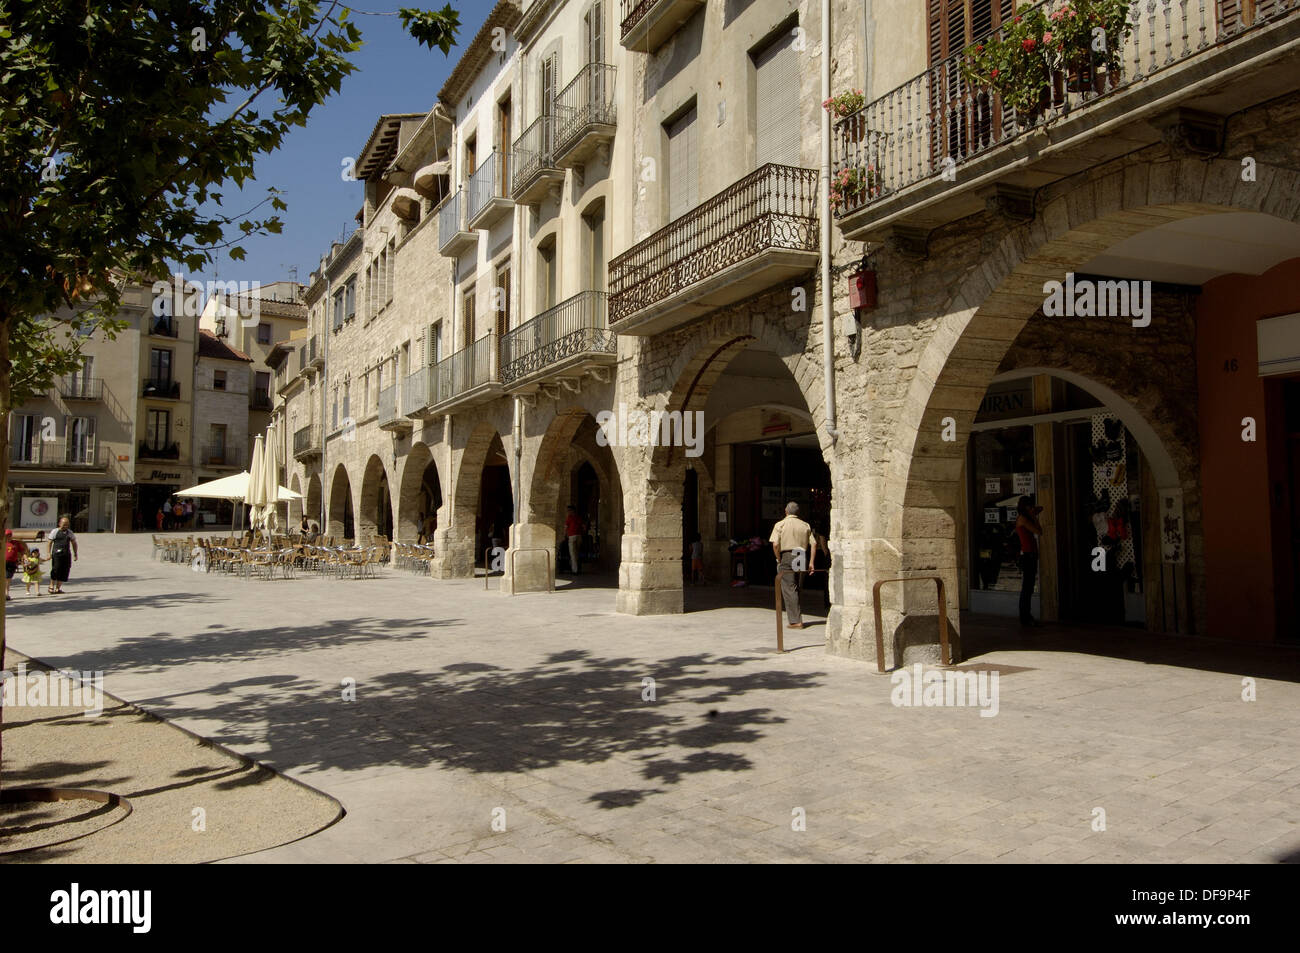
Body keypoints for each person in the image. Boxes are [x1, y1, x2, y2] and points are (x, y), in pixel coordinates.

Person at [770, 502, 816, 629]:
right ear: (798, 512)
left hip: (787, 555)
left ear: (786, 511)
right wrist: (811, 562)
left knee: (789, 588)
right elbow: (814, 544)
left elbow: (775, 544)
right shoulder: (805, 525)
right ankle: (797, 616)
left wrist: (778, 558)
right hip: (801, 554)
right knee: (797, 588)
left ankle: (796, 621)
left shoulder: (780, 524)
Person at [1014, 495, 1044, 627]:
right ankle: (1025, 616)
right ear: (1025, 507)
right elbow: (1038, 531)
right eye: (1029, 506)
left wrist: (1033, 513)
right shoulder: (1023, 519)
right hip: (1028, 555)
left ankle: (1026, 615)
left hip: (1030, 554)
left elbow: (1041, 508)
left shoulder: (1025, 518)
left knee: (1029, 586)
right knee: (1027, 587)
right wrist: (1034, 516)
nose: (1032, 508)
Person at [47, 516, 78, 594]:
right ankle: (51, 586)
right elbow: (49, 542)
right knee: (56, 569)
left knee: (65, 570)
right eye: (64, 524)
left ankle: (58, 588)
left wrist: (75, 554)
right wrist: (48, 553)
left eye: (67, 524)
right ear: (59, 523)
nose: (65, 526)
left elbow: (74, 543)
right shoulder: (55, 531)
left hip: (66, 554)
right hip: (56, 554)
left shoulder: (70, 532)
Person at [5, 529, 28, 601]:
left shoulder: (15, 543)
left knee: (8, 579)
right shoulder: (2, 542)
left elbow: (22, 552)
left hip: (12, 563)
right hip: (2, 562)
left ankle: (6, 594)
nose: (8, 537)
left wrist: (25, 558)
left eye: (9, 535)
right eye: (6, 536)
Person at [564, 505, 585, 575]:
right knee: (577, 553)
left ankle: (575, 570)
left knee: (573, 553)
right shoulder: (578, 517)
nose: (568, 512)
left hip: (572, 536)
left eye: (569, 510)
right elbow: (583, 526)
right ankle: (577, 568)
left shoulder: (569, 518)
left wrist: (565, 535)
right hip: (578, 536)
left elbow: (566, 527)